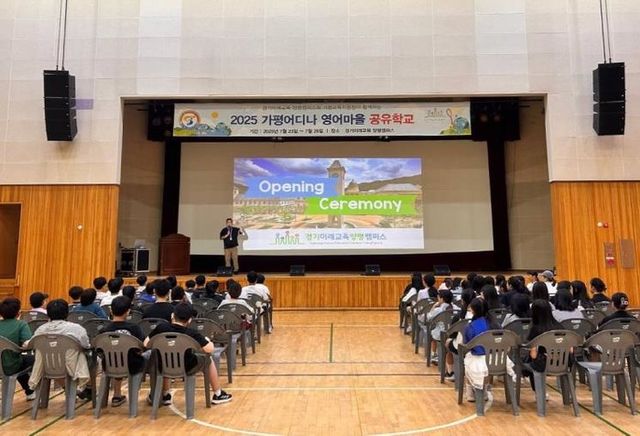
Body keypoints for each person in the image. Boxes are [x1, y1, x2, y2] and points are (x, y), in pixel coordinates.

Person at [145, 303, 232, 405]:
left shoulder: (161, 328)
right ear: (190, 320)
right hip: (187, 367)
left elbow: (146, 343)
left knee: (165, 357)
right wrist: (208, 340)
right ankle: (218, 394)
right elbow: (209, 349)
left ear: (172, 315)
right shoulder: (191, 333)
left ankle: (165, 395)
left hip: (163, 366)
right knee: (208, 360)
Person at [28, 299, 92, 398]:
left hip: (47, 366)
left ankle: (68, 389)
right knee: (94, 359)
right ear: (67, 313)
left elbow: (31, 345)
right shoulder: (76, 328)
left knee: (53, 361)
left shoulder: (40, 330)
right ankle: (88, 388)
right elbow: (86, 345)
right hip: (73, 366)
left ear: (48, 314)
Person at [100, 296, 148, 407]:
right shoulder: (135, 328)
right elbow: (143, 346)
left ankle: (117, 395)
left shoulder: (104, 330)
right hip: (133, 365)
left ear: (111, 311)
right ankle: (155, 395)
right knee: (151, 355)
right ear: (128, 311)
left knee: (116, 356)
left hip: (109, 365)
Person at [522, 300, 562, 392]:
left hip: (543, 364)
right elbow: (570, 349)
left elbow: (533, 355)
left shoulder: (536, 329)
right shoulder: (560, 326)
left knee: (529, 361)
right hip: (561, 363)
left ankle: (539, 391)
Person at [0, 297, 36, 400]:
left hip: (6, 362)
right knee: (32, 360)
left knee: (19, 361)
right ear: (18, 312)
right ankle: (31, 391)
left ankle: (30, 391)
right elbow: (28, 345)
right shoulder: (21, 324)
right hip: (10, 366)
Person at [463, 298, 493, 402]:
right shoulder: (494, 324)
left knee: (467, 359)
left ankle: (470, 392)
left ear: (473, 310)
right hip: (497, 360)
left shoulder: (470, 326)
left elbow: (467, 345)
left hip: (479, 359)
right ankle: (484, 390)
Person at [425, 289, 453, 364]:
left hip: (441, 334)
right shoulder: (455, 307)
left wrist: (434, 306)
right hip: (452, 333)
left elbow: (428, 317)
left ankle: (434, 354)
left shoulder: (438, 310)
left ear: (442, 299)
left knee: (432, 333)